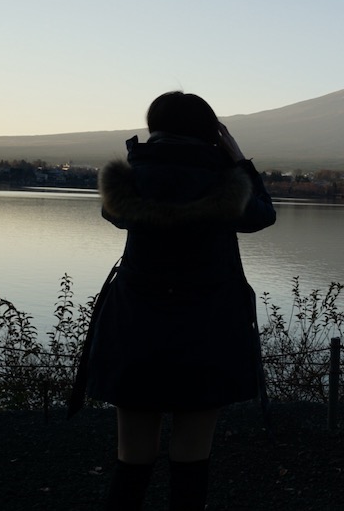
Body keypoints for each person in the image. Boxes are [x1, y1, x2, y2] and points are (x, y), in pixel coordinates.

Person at [71, 91, 277, 510]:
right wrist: (238, 159)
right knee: (191, 460)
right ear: (211, 132)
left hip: (133, 328)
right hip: (209, 330)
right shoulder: (227, 181)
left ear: (154, 127)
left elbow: (115, 215)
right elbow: (262, 216)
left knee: (132, 460)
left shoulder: (128, 179)